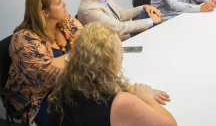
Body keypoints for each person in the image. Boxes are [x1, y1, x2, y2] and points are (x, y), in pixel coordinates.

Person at [48, 23, 177, 126]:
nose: (122, 55)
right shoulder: (121, 103)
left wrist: (131, 89)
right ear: (109, 60)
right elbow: (171, 124)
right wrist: (146, 96)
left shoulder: (69, 81)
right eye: (120, 50)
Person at [6, 0, 83, 125]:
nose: (65, 4)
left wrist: (79, 55)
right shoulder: (24, 40)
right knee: (88, 110)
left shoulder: (65, 21)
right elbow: (51, 76)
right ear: (45, 13)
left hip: (71, 85)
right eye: (59, 3)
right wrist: (80, 55)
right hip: (39, 99)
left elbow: (88, 42)